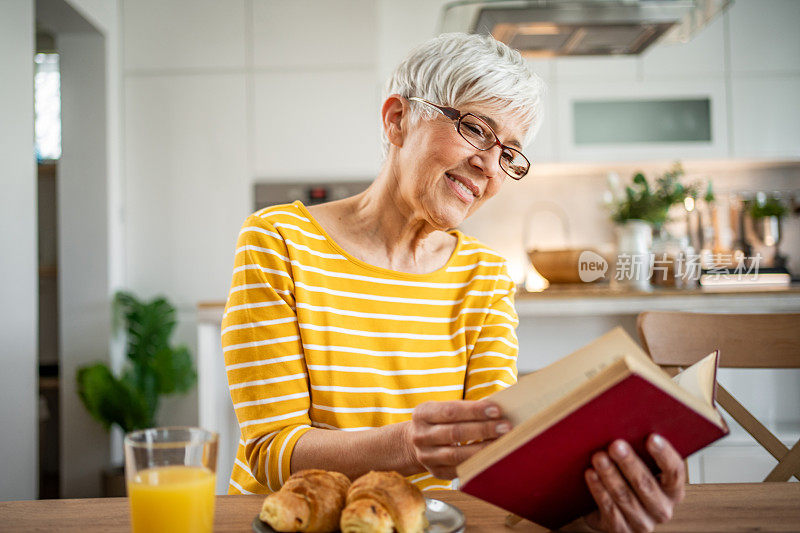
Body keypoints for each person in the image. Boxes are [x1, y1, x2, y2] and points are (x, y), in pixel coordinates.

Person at [222, 32, 685, 532]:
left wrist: (588, 506)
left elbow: (493, 457)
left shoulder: (484, 276)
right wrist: (407, 446)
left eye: (509, 152)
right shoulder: (279, 241)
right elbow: (271, 450)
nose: (489, 165)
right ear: (398, 120)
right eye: (475, 128)